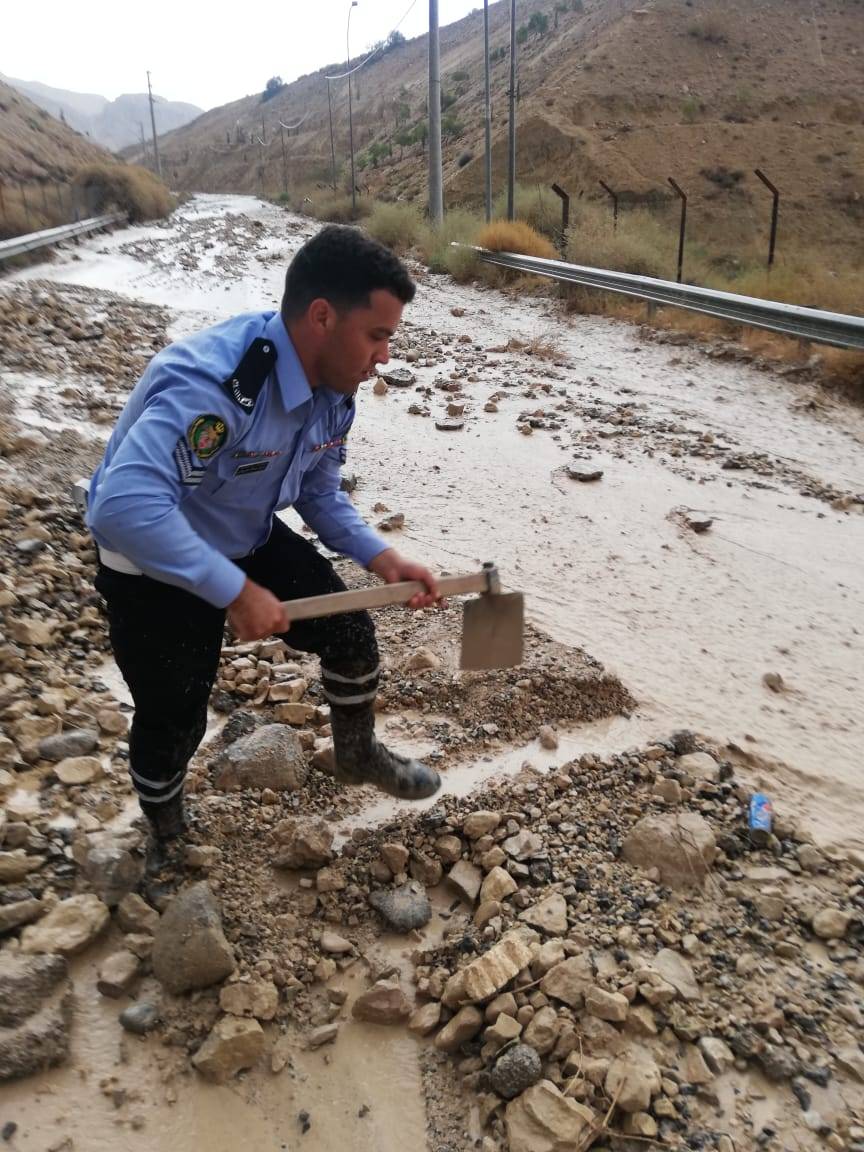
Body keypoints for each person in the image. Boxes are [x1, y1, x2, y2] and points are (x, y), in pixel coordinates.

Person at [86, 224, 442, 870]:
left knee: (350, 633)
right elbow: (123, 507)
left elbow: (320, 493)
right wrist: (233, 591)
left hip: (241, 530)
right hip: (150, 559)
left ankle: (356, 753)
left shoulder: (335, 389)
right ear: (322, 317)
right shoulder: (218, 384)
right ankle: (166, 831)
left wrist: (381, 557)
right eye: (377, 335)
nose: (385, 357)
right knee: (176, 714)